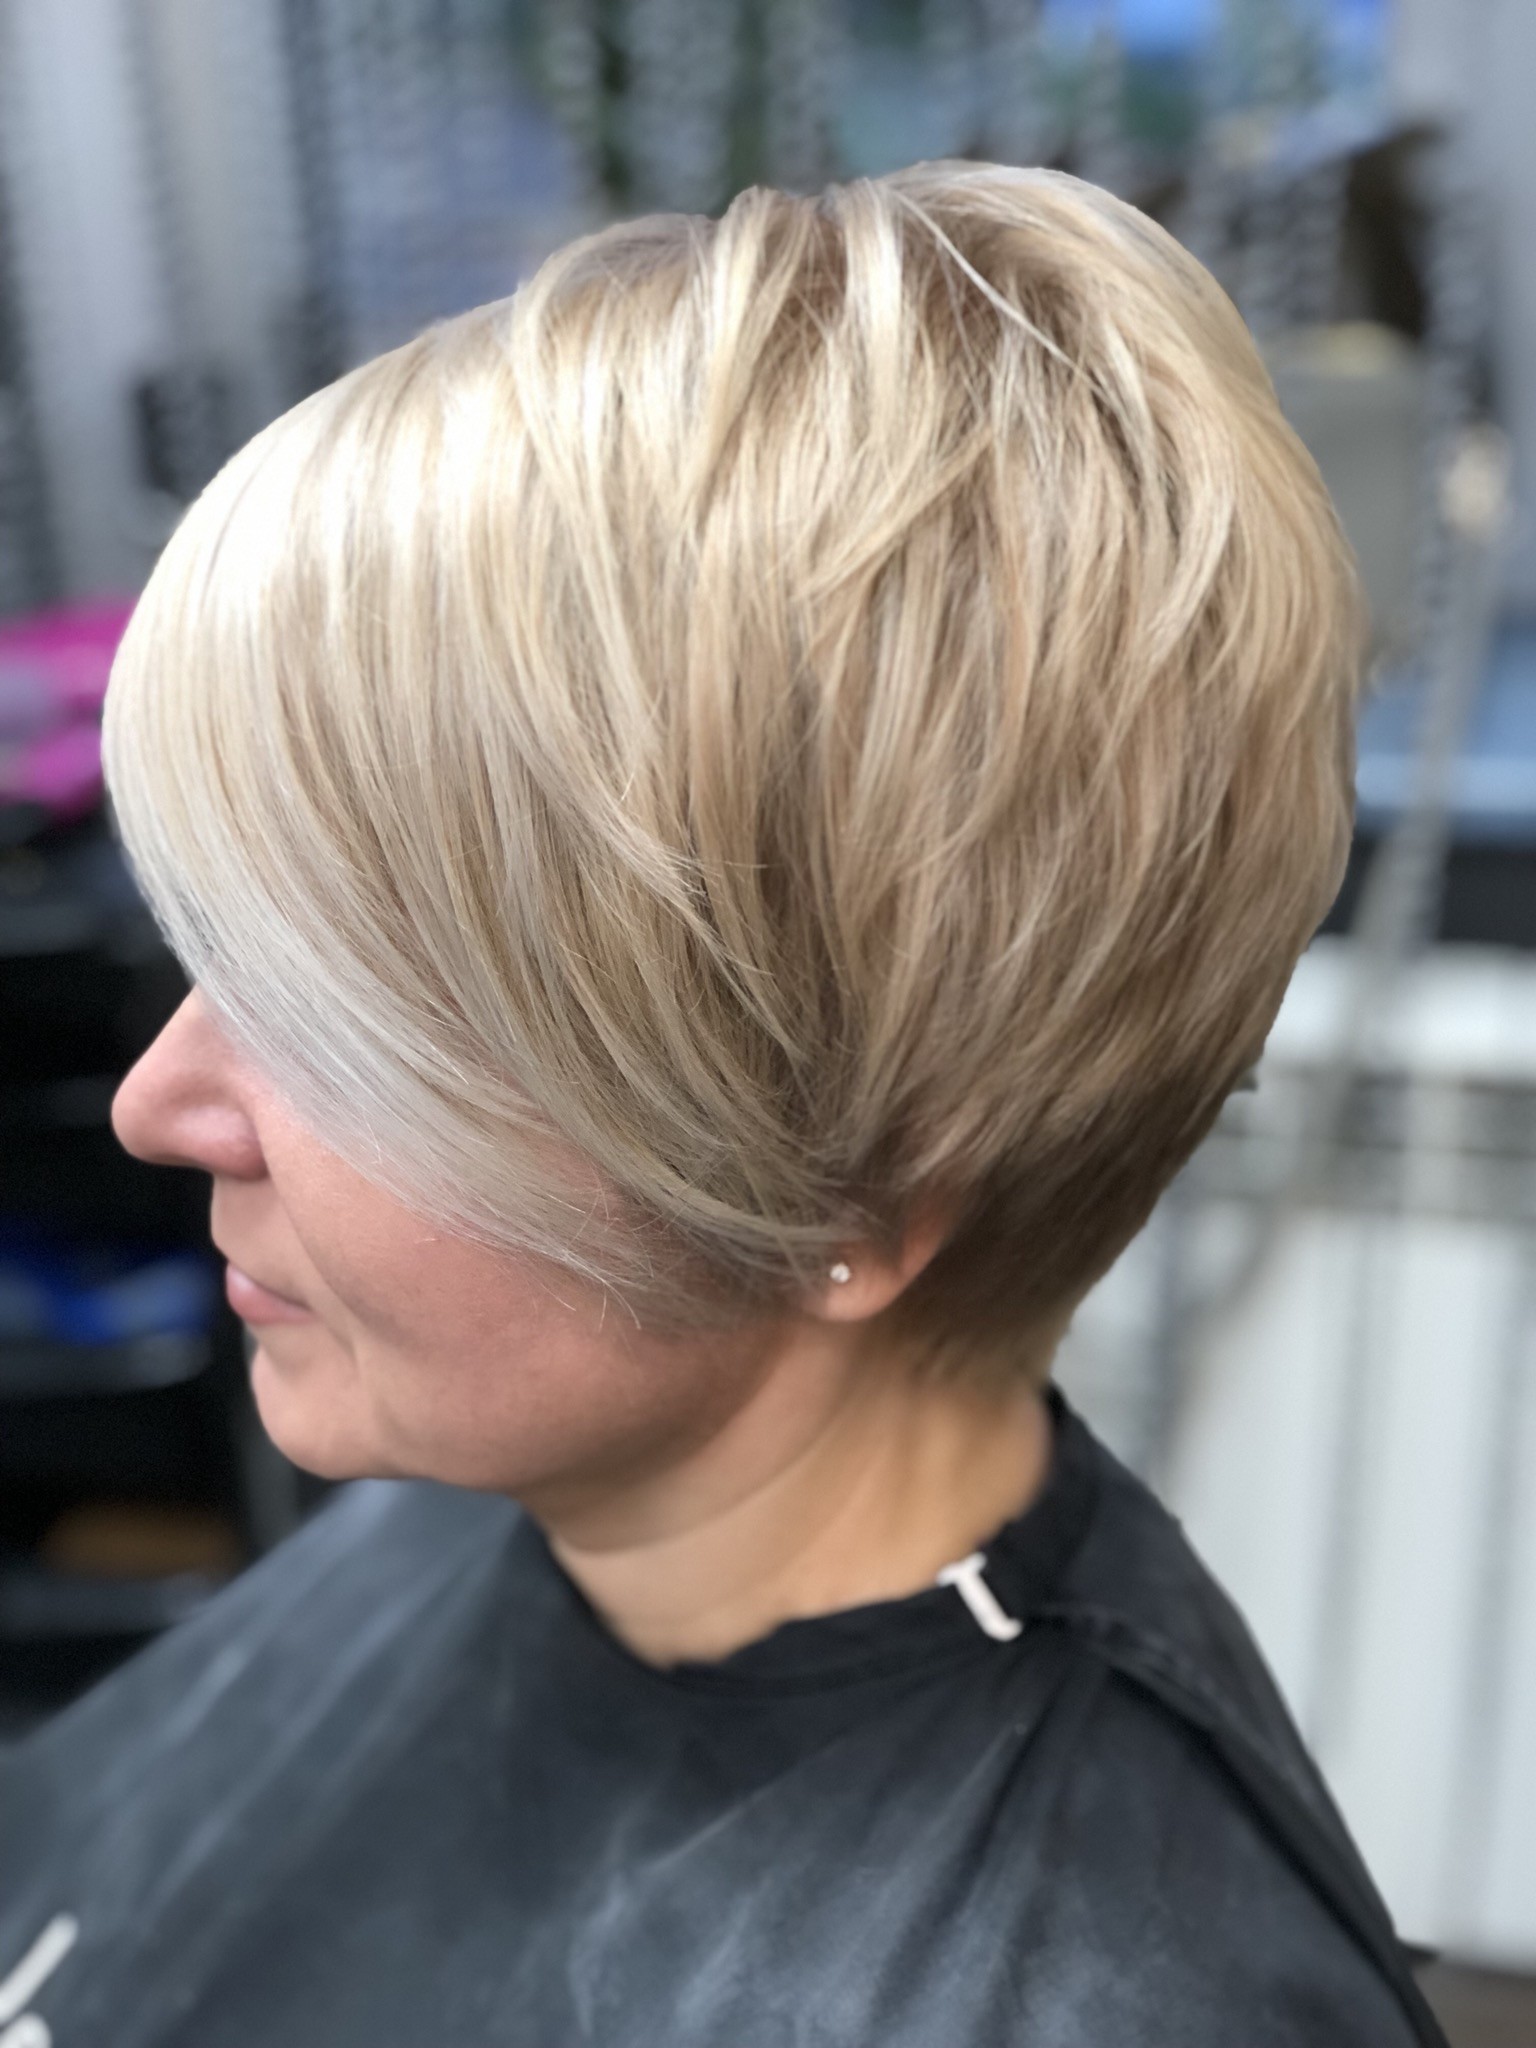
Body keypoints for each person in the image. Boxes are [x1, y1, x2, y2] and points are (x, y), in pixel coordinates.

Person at [0, 161, 1447, 2046]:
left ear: (844, 1191)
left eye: (344, 1017)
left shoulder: (1073, 1998)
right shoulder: (528, 1470)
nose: (157, 1104)